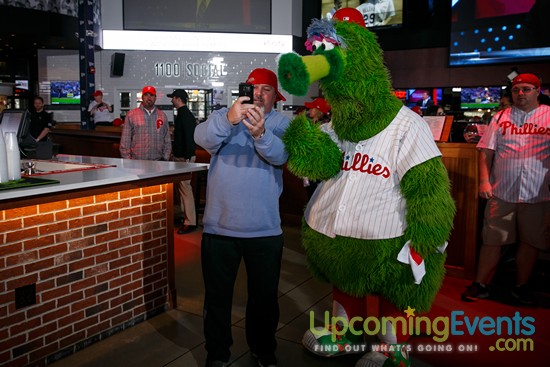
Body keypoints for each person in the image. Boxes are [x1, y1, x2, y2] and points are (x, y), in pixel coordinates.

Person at [194, 68, 290, 367]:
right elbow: (201, 138)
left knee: (264, 299)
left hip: (264, 229)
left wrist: (260, 134)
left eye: (266, 89)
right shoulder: (225, 115)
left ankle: (263, 351)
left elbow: (282, 156)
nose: (259, 94)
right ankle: (217, 354)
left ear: (276, 96)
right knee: (217, 298)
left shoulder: (284, 123)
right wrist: (228, 120)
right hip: (219, 227)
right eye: (254, 88)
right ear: (243, 90)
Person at [461, 73, 550, 305]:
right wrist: (484, 181)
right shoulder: (501, 117)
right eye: (516, 89)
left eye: (527, 89)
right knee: (492, 240)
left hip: (538, 192)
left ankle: (521, 287)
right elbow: (486, 152)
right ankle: (481, 284)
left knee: (530, 242)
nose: (521, 93)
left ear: (537, 91)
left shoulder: (549, 116)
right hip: (502, 191)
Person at [168, 89, 198, 235]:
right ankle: (185, 218)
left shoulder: (184, 115)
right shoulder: (184, 114)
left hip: (184, 158)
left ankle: (190, 221)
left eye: (172, 98)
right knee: (183, 189)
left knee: (185, 189)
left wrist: (187, 157)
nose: (171, 100)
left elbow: (190, 138)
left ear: (178, 98)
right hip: (182, 157)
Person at [119, 86, 171, 161]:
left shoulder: (162, 116)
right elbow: (125, 140)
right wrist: (127, 160)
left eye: (151, 95)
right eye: (146, 95)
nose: (149, 98)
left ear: (155, 98)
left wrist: (165, 158)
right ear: (142, 97)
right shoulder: (132, 115)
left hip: (158, 162)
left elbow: (167, 140)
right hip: (137, 162)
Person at [303, 97, 331, 199]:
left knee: (316, 199)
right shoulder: (315, 124)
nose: (309, 110)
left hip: (319, 170)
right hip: (312, 169)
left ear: (318, 110)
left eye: (312, 108)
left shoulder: (325, 127)